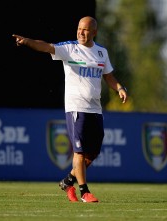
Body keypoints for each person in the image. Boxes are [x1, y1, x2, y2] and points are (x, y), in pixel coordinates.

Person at [12, 16, 128, 203]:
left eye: (86, 29)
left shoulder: (101, 53)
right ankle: (84, 192)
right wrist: (27, 42)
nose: (81, 32)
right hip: (76, 108)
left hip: (95, 110)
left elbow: (109, 76)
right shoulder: (70, 49)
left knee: (93, 153)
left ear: (94, 32)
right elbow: (46, 46)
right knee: (79, 152)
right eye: (79, 29)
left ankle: (68, 181)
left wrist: (120, 88)